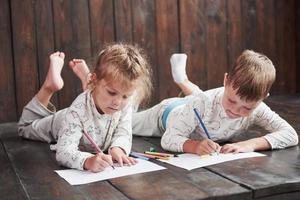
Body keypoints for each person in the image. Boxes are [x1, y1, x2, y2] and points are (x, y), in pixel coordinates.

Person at [132, 50, 298, 155]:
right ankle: (133, 94)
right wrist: (195, 147)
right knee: (128, 120)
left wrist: (251, 145)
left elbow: (291, 135)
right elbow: (169, 139)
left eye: (247, 108)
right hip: (165, 114)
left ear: (263, 98)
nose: (237, 111)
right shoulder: (203, 102)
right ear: (225, 81)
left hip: (197, 106)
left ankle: (182, 78)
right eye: (231, 101)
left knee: (202, 100)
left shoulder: (258, 108)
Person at [18, 43, 153, 172]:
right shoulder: (77, 110)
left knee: (110, 102)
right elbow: (64, 152)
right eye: (112, 93)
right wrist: (87, 161)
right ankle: (49, 87)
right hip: (61, 121)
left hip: (89, 109)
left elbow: (123, 132)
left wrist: (118, 148)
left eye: (125, 96)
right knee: (25, 127)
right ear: (95, 80)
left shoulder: (124, 104)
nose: (118, 102)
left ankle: (88, 85)